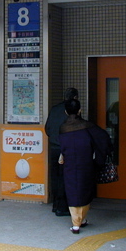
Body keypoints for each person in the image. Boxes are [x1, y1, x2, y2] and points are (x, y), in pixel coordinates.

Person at [59, 99, 112, 234]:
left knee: (72, 191)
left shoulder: (63, 128)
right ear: (80, 111)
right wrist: (100, 156)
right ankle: (80, 220)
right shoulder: (88, 126)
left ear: (65, 112)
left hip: (70, 165)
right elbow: (103, 138)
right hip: (86, 164)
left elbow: (62, 146)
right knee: (85, 190)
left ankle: (76, 223)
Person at [44, 87, 78, 216]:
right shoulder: (72, 111)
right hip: (66, 149)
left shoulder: (54, 109)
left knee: (56, 177)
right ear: (75, 97)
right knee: (66, 178)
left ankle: (56, 205)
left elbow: (47, 128)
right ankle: (63, 207)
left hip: (54, 147)